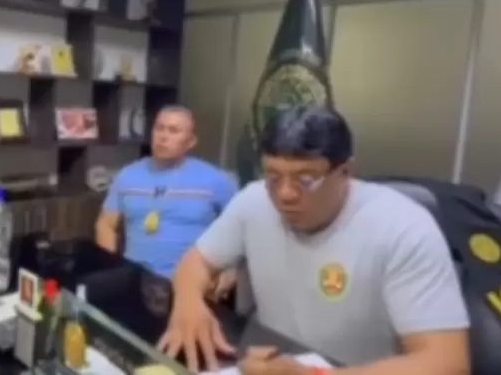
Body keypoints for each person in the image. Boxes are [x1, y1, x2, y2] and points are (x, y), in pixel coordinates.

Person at [157, 106, 471, 375]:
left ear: (346, 172)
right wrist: (188, 302)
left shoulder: (403, 227)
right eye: (273, 177)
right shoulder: (254, 202)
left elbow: (448, 363)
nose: (285, 194)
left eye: (306, 179)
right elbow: (197, 261)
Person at [94, 106, 238, 295]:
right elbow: (106, 224)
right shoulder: (127, 176)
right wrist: (112, 267)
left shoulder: (217, 181)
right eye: (159, 128)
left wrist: (230, 271)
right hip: (135, 282)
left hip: (191, 286)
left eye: (173, 131)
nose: (163, 136)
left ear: (191, 141)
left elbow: (239, 231)